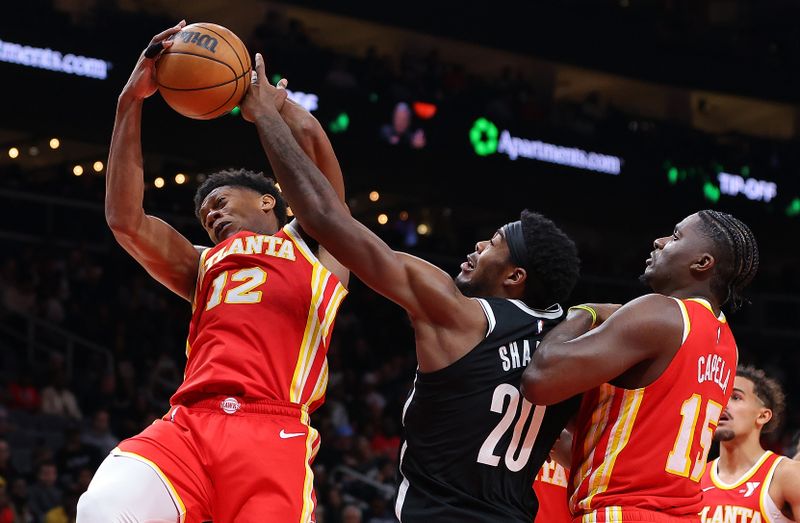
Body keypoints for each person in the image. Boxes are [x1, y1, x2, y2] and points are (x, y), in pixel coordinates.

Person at [240, 53, 582, 522]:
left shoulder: (459, 314)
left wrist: (267, 117)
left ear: (515, 277)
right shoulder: (572, 347)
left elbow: (325, 219)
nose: (480, 244)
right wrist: (298, 116)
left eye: (496, 243)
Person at [77, 21, 349, 523]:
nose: (212, 215)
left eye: (221, 202)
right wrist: (129, 102)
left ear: (269, 201)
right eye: (205, 214)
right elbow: (125, 220)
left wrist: (274, 106)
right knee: (103, 506)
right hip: (188, 424)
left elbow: (320, 172)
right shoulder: (202, 263)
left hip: (271, 431)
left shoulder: (316, 242)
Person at [522, 210, 760, 521]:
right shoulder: (727, 344)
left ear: (702, 263)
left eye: (675, 237)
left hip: (624, 513)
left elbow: (539, 380)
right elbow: (621, 436)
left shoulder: (659, 312)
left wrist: (586, 312)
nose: (659, 241)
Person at [699, 365, 800, 523]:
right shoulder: (695, 479)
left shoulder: (787, 475)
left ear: (762, 416)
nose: (723, 404)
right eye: (720, 397)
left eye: (736, 397)